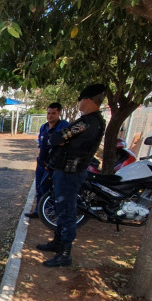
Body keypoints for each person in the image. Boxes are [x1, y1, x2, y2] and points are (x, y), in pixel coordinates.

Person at [38, 84, 107, 267]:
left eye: (81, 100)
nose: (79, 103)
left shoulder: (87, 122)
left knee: (67, 211)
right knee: (61, 209)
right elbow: (58, 139)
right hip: (67, 170)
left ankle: (65, 253)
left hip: (70, 172)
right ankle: (58, 243)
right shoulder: (93, 121)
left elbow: (56, 139)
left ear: (88, 100)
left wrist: (60, 141)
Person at [26, 102, 70, 218]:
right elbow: (42, 144)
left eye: (53, 113)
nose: (50, 116)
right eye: (48, 113)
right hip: (42, 162)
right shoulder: (44, 127)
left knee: (52, 189)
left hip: (55, 164)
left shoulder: (63, 126)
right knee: (39, 187)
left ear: (59, 113)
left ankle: (52, 213)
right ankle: (38, 211)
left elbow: (66, 143)